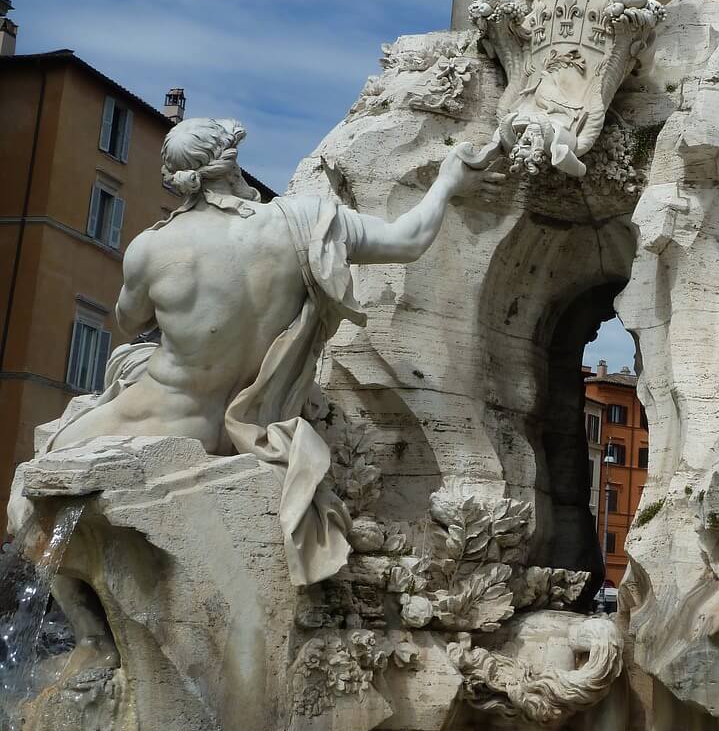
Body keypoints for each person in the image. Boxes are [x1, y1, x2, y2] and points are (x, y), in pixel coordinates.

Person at [33, 118, 503, 671]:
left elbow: (127, 319)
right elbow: (408, 240)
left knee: (33, 487)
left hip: (155, 414)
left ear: (178, 180)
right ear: (231, 165)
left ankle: (94, 646)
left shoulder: (149, 248)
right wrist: (449, 178)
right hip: (237, 426)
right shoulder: (303, 223)